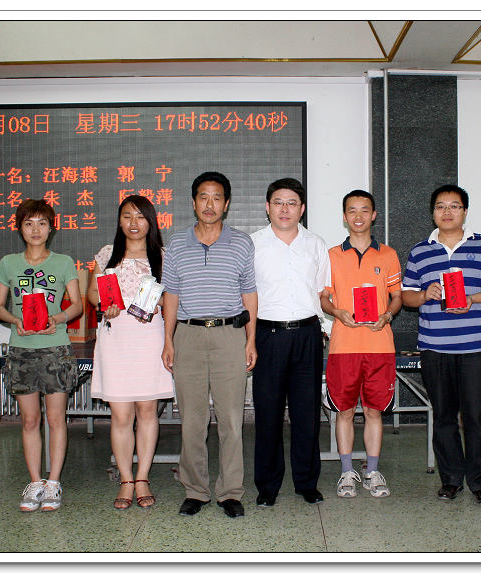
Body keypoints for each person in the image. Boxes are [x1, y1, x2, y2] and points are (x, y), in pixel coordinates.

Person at [161, 171, 258, 518]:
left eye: (217, 197)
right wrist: (168, 340)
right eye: (203, 197)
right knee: (192, 420)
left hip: (229, 335)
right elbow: (171, 295)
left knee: (231, 419)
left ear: (226, 204)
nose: (210, 204)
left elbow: (249, 294)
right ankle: (196, 490)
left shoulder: (242, 243)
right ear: (193, 202)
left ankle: (230, 491)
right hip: (187, 335)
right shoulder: (176, 244)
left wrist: (251, 340)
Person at [401, 185, 481, 505]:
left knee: (478, 416)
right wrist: (424, 295)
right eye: (440, 206)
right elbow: (406, 296)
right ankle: (450, 479)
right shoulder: (420, 251)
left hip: (475, 346)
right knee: (444, 416)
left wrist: (472, 298)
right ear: (433, 212)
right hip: (434, 346)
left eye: (454, 206)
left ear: (465, 211)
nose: (447, 212)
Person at [0, 198, 83, 512]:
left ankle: (54, 482)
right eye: (29, 223)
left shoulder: (63, 262)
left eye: (42, 223)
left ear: (51, 228)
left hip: (55, 348)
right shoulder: (8, 263)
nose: (35, 230)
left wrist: (58, 318)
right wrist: (14, 320)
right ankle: (35, 482)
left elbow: (77, 305)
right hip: (21, 349)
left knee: (56, 419)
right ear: (20, 228)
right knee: (30, 420)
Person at [87, 195, 175, 510]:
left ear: (151, 221)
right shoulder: (107, 253)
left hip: (149, 337)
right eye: (127, 216)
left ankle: (143, 477)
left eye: (140, 217)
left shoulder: (163, 256)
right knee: (121, 414)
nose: (134, 223)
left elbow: (172, 298)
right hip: (116, 338)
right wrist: (103, 304)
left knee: (148, 411)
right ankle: (126, 479)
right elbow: (92, 292)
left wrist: (159, 305)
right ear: (119, 220)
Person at [251, 178, 329, 507]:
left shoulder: (316, 244)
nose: (285, 209)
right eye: (278, 202)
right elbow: (247, 296)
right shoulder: (253, 244)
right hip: (267, 335)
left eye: (292, 203)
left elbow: (322, 291)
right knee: (268, 413)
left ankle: (306, 482)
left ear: (302, 208)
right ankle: (267, 485)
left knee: (306, 412)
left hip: (307, 334)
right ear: (267, 207)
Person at [321, 189, 402, 498]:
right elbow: (324, 298)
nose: (358, 216)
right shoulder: (331, 255)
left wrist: (388, 315)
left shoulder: (388, 254)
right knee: (343, 411)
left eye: (364, 210)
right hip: (344, 346)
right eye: (352, 210)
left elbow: (397, 297)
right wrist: (337, 312)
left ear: (374, 215)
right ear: (344, 216)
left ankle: (373, 471)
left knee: (373, 411)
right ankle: (346, 472)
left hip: (380, 345)